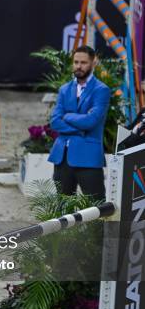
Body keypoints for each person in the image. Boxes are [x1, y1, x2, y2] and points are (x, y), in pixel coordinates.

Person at [48, 45, 111, 201]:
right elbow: (55, 121)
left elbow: (91, 121)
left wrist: (67, 116)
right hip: (62, 157)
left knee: (96, 207)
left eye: (83, 62)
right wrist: (79, 128)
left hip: (88, 157)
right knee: (63, 208)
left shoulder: (101, 90)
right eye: (76, 62)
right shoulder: (64, 89)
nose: (78, 66)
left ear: (93, 63)